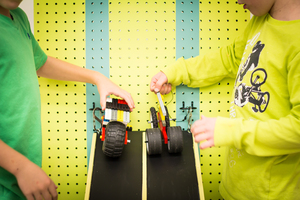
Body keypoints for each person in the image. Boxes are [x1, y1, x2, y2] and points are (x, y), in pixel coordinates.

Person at [150, 0, 300, 199]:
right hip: (234, 187)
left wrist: (232, 131)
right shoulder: (260, 22)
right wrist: (176, 72)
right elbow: (229, 58)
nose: (237, 1)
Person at [0, 1, 135, 200]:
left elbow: (40, 62)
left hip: (20, 178)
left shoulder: (18, 17)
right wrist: (19, 167)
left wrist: (97, 78)